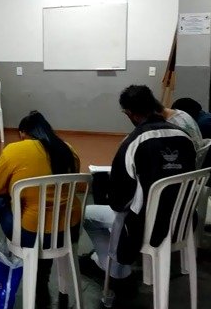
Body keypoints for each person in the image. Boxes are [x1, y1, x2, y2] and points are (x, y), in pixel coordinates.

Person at [81, 85, 196, 292]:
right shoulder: (184, 137)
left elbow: (119, 202)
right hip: (183, 221)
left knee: (86, 214)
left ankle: (115, 269)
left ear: (129, 113)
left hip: (147, 227)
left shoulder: (133, 143)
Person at [0, 110, 81, 303]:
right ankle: (44, 272)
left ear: (23, 133)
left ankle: (16, 253)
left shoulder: (14, 150)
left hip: (31, 236)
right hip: (68, 231)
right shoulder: (68, 150)